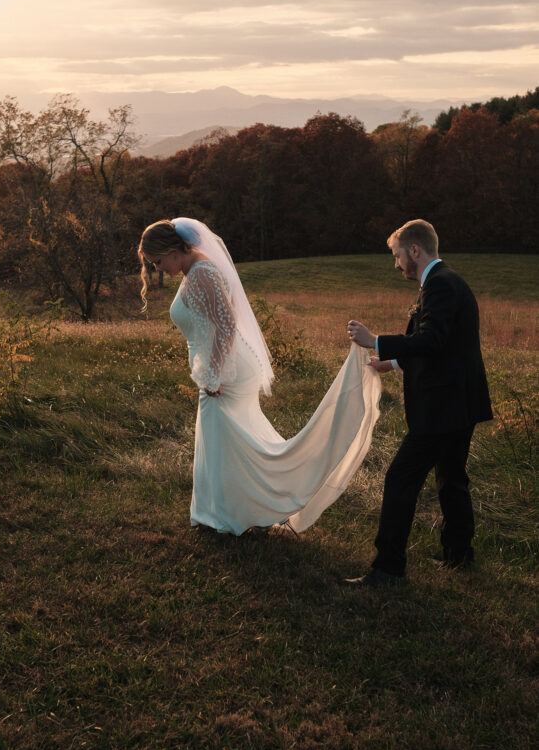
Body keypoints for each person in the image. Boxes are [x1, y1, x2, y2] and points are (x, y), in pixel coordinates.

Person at [138, 218, 381, 536]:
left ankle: (229, 516)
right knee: (231, 442)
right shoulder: (195, 270)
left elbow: (225, 325)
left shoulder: (201, 272)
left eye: (158, 262)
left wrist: (214, 375)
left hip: (224, 371)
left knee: (224, 441)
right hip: (222, 367)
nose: (159, 270)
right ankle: (240, 513)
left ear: (171, 250)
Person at [346, 218, 492, 586]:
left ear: (415, 250)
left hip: (442, 408)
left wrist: (376, 340)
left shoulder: (440, 285)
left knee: (400, 478)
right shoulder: (448, 282)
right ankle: (459, 554)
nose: (396, 265)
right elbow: (441, 346)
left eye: (397, 256)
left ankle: (388, 568)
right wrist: (392, 363)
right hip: (461, 403)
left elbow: (432, 340)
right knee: (451, 479)